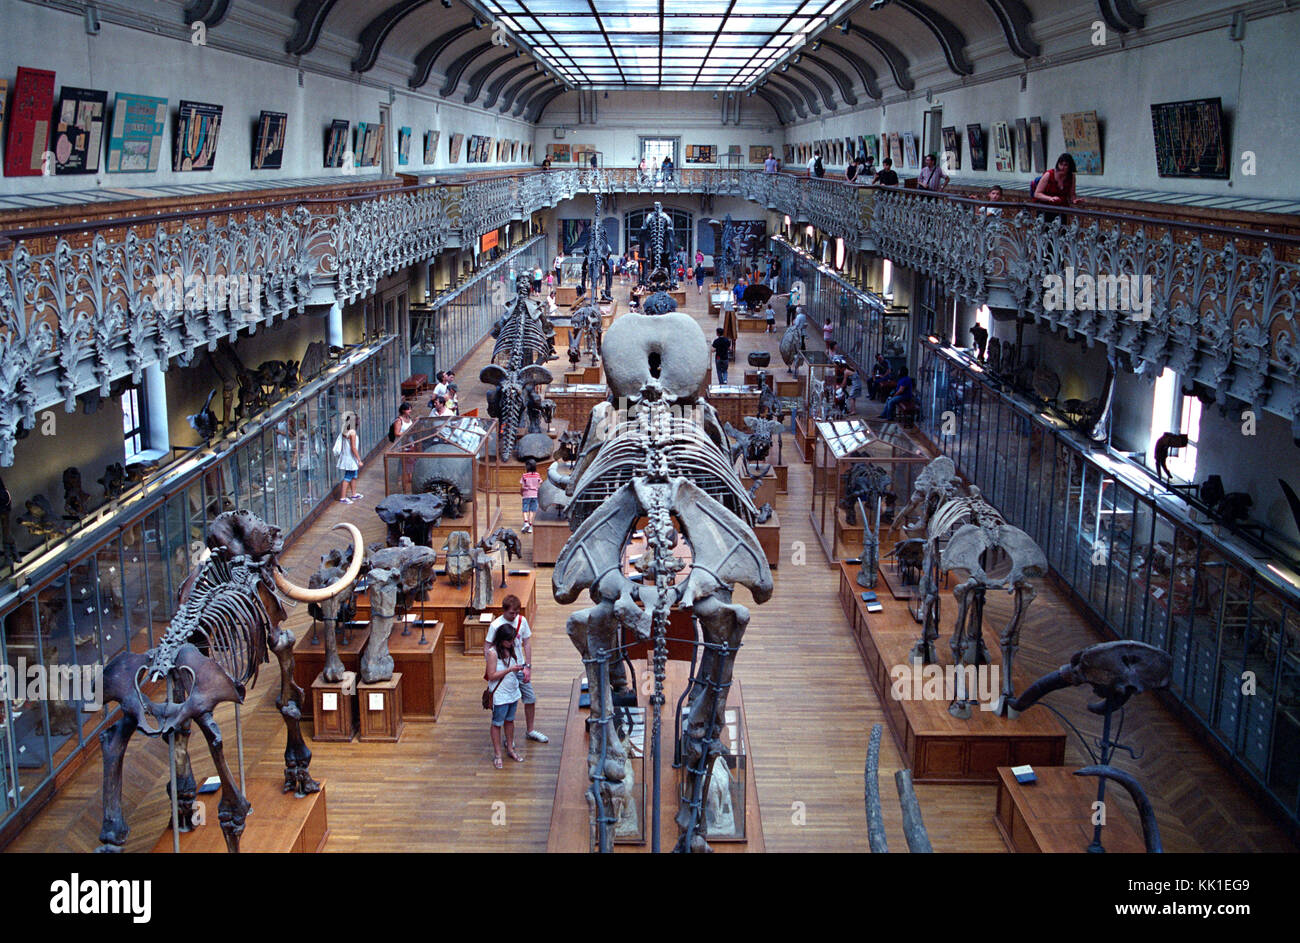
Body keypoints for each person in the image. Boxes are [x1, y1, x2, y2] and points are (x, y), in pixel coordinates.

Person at [484, 594, 547, 749]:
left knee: (530, 698)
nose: (515, 616)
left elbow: (526, 644)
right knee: (506, 705)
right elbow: (487, 647)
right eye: (512, 613)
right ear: (504, 611)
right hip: (503, 671)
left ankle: (530, 730)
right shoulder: (495, 625)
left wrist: (528, 666)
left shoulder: (522, 621)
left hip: (519, 667)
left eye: (517, 612)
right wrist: (494, 666)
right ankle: (508, 739)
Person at [484, 621, 526, 768]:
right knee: (497, 723)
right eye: (509, 640)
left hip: (513, 692)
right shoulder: (492, 653)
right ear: (502, 639)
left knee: (510, 720)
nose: (512, 642)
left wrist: (521, 669)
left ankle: (510, 749)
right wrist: (510, 670)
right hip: (500, 695)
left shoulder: (512, 649)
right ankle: (497, 754)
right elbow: (491, 675)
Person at [334, 410, 362, 504]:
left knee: (353, 475)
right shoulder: (352, 432)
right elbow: (353, 447)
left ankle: (354, 494)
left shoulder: (345, 430)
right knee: (348, 476)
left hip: (347, 456)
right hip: (350, 457)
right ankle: (343, 497)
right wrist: (359, 459)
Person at [520, 459, 541, 533]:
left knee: (525, 509)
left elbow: (522, 486)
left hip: (526, 494)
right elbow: (539, 485)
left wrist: (521, 492)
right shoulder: (537, 475)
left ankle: (525, 523)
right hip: (535, 495)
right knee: (532, 510)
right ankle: (530, 525)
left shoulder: (524, 475)